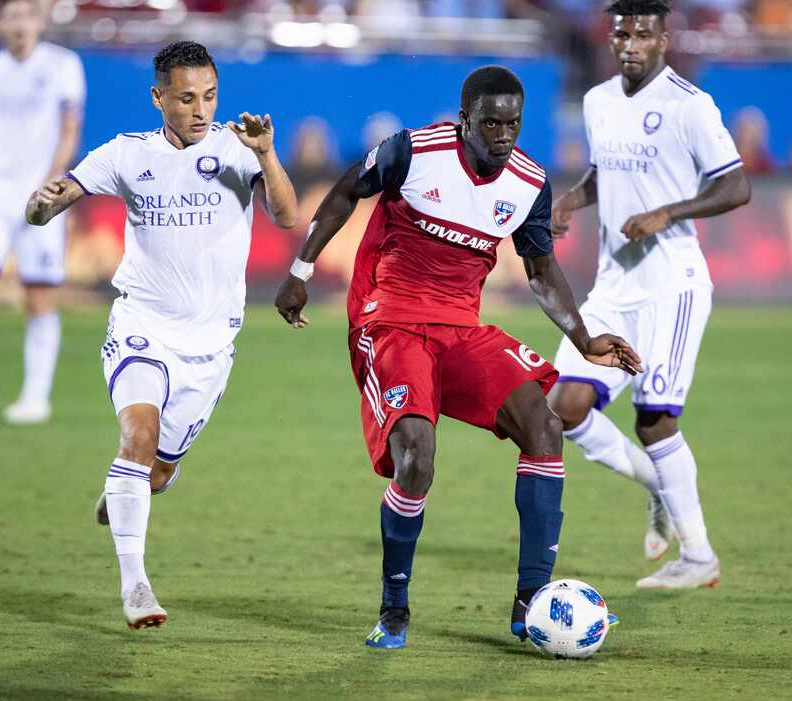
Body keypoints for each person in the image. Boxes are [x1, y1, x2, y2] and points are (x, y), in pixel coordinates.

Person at [275, 65, 641, 649]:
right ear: (464, 118)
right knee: (415, 458)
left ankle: (531, 604)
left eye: (513, 123)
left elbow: (542, 269)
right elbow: (346, 190)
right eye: (491, 122)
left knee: (545, 425)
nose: (503, 133)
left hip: (459, 326)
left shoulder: (528, 183)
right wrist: (300, 270)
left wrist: (583, 339)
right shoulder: (415, 151)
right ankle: (394, 610)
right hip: (389, 319)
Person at [25, 41, 297, 629]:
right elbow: (58, 198)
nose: (201, 110)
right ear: (158, 98)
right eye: (186, 98)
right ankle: (136, 586)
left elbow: (288, 215)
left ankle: (129, 488)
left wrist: (269, 155)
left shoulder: (237, 147)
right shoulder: (127, 154)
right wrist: (42, 206)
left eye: (210, 96)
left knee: (157, 470)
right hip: (142, 325)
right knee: (138, 436)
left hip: (210, 345)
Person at [548, 0, 750, 589]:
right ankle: (660, 486)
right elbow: (605, 171)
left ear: (664, 39)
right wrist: (571, 200)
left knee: (654, 420)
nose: (630, 43)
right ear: (609, 40)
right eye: (621, 34)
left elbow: (735, 185)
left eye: (642, 34)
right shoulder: (598, 102)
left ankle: (699, 557)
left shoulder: (690, 106)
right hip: (613, 287)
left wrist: (668, 212)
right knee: (563, 409)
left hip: (671, 286)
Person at [0, 0, 85, 423]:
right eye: (11, 16)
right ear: (1, 24)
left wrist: (52, 184)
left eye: (26, 16)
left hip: (40, 192)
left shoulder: (63, 66)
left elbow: (70, 131)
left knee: (38, 295)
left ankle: (36, 396)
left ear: (39, 22)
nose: (18, 24)